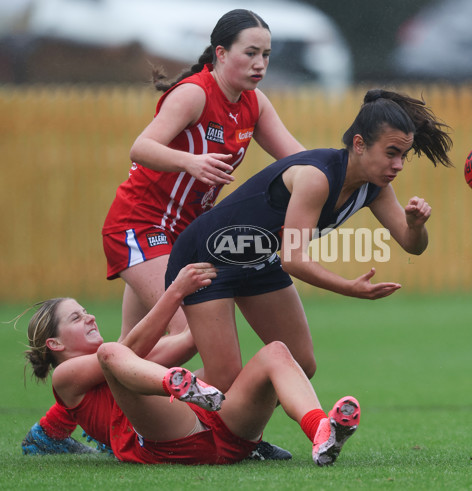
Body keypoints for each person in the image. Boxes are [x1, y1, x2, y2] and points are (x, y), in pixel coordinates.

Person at [22, 8, 304, 459]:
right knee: (188, 336)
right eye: (250, 53)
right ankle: (230, 433)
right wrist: (190, 162)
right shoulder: (193, 95)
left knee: (134, 346)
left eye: (266, 55)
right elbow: (141, 147)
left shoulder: (255, 103)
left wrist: (343, 175)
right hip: (141, 226)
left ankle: (55, 430)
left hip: (184, 235)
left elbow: (297, 160)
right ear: (219, 53)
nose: (260, 63)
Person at [165, 88, 453, 393]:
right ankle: (142, 407)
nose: (398, 165)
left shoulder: (375, 188)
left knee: (300, 364)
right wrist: (349, 288)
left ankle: (242, 435)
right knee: (222, 377)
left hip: (257, 259)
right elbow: (293, 258)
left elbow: (412, 244)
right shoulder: (317, 177)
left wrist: (416, 225)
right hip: (208, 257)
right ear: (359, 144)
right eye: (391, 153)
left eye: (403, 156)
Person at [23, 263, 361, 466]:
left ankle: (321, 430)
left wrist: (226, 283)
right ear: (55, 344)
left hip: (226, 434)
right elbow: (127, 350)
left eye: (86, 310)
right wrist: (175, 290)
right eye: (76, 316)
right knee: (112, 353)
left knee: (275, 351)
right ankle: (178, 385)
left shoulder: (127, 358)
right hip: (165, 440)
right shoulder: (66, 377)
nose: (90, 315)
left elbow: (186, 340)